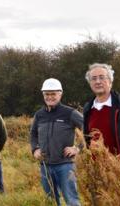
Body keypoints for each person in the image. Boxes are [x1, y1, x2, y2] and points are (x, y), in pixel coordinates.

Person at [30, 78, 83, 206]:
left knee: (71, 201)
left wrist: (77, 148)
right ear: (43, 95)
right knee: (51, 201)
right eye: (47, 94)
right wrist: (35, 149)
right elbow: (33, 134)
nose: (50, 97)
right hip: (45, 166)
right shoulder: (39, 115)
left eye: (53, 94)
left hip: (65, 166)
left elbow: (92, 131)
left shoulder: (70, 113)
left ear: (60, 94)